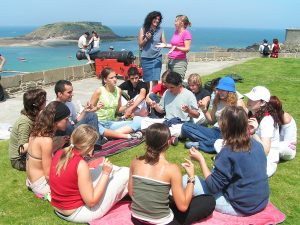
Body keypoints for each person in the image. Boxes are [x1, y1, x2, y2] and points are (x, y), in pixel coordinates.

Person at [187, 106, 269, 216]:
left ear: (224, 126)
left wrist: (201, 160)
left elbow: (213, 187)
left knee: (188, 180)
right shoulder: (257, 145)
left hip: (241, 207)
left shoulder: (229, 151)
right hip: (261, 202)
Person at [129, 123, 215, 225]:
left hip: (137, 219)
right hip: (162, 223)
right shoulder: (171, 169)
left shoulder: (135, 162)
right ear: (169, 142)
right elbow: (183, 207)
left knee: (170, 198)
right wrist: (191, 178)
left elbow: (131, 193)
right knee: (208, 201)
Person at [49, 125, 129, 223]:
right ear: (89, 146)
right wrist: (105, 174)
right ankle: (143, 205)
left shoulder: (60, 152)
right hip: (78, 213)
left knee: (107, 169)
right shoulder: (80, 165)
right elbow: (91, 201)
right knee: (126, 173)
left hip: (59, 209)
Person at [182, 77, 242, 153]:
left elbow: (241, 125)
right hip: (215, 130)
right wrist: (204, 109)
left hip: (228, 133)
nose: (219, 92)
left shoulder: (238, 103)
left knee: (228, 140)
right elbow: (211, 121)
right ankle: (215, 143)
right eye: (219, 89)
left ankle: (200, 144)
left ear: (230, 92)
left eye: (223, 90)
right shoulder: (217, 100)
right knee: (185, 126)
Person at [26, 101, 70, 198]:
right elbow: (48, 174)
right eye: (66, 119)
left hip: (31, 180)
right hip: (41, 184)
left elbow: (40, 154)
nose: (69, 122)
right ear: (56, 121)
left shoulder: (37, 131)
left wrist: (59, 143)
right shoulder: (46, 141)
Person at [90, 67, 143, 139]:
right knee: (97, 129)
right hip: (99, 123)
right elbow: (88, 112)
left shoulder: (118, 91)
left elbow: (118, 110)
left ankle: (110, 135)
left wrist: (126, 106)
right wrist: (97, 108)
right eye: (111, 78)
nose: (115, 79)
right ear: (105, 80)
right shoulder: (99, 91)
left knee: (139, 120)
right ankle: (124, 135)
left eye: (115, 77)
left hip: (111, 123)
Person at [144, 71, 199, 140]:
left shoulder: (189, 95)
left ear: (179, 85)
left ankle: (161, 135)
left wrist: (189, 111)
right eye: (168, 87)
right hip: (168, 122)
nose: (169, 90)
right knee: (144, 121)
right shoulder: (167, 92)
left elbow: (197, 115)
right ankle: (169, 137)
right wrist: (155, 106)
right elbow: (161, 110)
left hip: (182, 124)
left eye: (172, 87)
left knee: (165, 130)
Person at [245, 86, 280, 177]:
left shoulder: (267, 120)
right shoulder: (251, 114)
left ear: (263, 102)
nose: (249, 100)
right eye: (249, 97)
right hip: (251, 152)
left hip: (267, 161)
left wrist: (254, 132)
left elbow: (265, 151)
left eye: (253, 99)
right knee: (219, 143)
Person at [9, 89, 47, 171]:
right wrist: (39, 140)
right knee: (49, 162)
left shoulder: (33, 116)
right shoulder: (25, 123)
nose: (46, 103)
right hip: (19, 160)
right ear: (37, 105)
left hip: (29, 154)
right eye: (44, 101)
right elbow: (21, 149)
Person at [54, 80, 101, 145]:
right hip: (63, 132)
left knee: (92, 115)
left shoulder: (70, 104)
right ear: (60, 94)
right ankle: (78, 144)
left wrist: (85, 111)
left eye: (72, 91)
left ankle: (96, 145)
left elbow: (76, 120)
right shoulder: (53, 107)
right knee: (68, 124)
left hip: (72, 128)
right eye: (69, 92)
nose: (72, 94)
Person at [156, 15, 192, 80]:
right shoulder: (176, 32)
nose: (174, 23)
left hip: (179, 62)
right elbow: (173, 46)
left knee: (177, 82)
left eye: (176, 21)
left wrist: (177, 48)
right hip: (170, 60)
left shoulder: (186, 33)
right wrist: (165, 45)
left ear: (182, 23)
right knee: (168, 82)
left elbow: (187, 49)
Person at [139, 11, 166, 88]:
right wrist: (146, 39)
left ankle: (154, 97)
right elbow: (140, 44)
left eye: (159, 19)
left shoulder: (160, 30)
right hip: (146, 58)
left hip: (157, 57)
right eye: (155, 18)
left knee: (155, 79)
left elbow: (164, 43)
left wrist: (167, 45)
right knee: (146, 79)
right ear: (151, 19)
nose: (157, 20)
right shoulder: (143, 29)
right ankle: (146, 96)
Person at [269, 96, 297, 161]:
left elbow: (287, 143)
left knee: (275, 147)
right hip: (275, 145)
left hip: (288, 149)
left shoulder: (285, 118)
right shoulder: (270, 117)